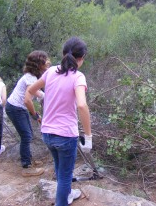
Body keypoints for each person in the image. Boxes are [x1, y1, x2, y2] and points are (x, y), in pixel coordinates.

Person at [25, 37, 93, 206]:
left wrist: (45, 100)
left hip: (47, 133)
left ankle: (67, 194)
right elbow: (82, 105)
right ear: (82, 57)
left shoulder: (51, 71)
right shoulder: (78, 76)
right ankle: (62, 200)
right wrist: (89, 136)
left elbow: (30, 90)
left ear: (63, 54)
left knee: (59, 168)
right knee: (64, 175)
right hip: (66, 135)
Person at [5, 50, 50, 176]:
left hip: (19, 108)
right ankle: (26, 166)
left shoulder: (33, 77)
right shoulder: (30, 78)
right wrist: (35, 114)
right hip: (15, 108)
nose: (47, 63)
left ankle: (28, 160)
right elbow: (32, 96)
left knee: (28, 134)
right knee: (26, 136)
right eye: (44, 61)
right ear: (38, 63)